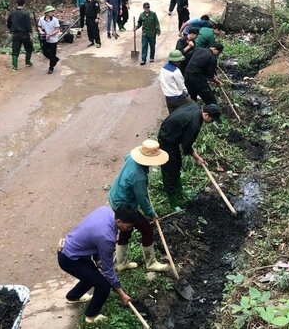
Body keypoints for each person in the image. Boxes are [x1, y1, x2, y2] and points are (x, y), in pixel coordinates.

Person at [58, 205, 136, 324]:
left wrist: (98, 258)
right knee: (104, 286)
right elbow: (108, 270)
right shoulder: (107, 237)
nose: (129, 229)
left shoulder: (106, 211)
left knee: (92, 275)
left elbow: (93, 237)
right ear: (119, 221)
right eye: (128, 226)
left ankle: (72, 297)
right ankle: (91, 316)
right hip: (70, 259)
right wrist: (122, 294)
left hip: (73, 251)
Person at [108, 140, 170, 273]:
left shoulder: (132, 157)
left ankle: (121, 263)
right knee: (146, 229)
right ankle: (151, 263)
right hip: (123, 203)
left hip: (115, 195)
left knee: (126, 230)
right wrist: (152, 214)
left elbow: (126, 157)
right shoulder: (139, 178)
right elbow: (142, 200)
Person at [157, 102, 222, 208]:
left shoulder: (195, 106)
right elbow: (186, 146)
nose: (212, 122)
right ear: (206, 115)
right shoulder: (194, 124)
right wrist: (197, 158)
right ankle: (172, 202)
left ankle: (179, 191)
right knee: (169, 170)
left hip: (172, 134)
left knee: (177, 164)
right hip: (167, 139)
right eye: (212, 119)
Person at [7, 0, 34, 71]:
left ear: (16, 4)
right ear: (24, 5)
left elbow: (9, 24)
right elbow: (29, 26)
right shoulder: (26, 14)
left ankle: (14, 67)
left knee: (15, 51)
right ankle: (27, 62)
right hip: (25, 34)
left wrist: (10, 30)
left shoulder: (12, 14)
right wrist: (31, 35)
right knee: (29, 48)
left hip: (15, 34)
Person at [38, 5, 61, 74]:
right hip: (45, 39)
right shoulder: (41, 19)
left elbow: (57, 30)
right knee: (45, 52)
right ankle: (55, 59)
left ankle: (51, 67)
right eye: (51, 11)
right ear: (47, 13)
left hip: (53, 39)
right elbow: (39, 27)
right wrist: (40, 31)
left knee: (53, 53)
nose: (52, 13)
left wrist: (50, 35)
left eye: (53, 11)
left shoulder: (55, 20)